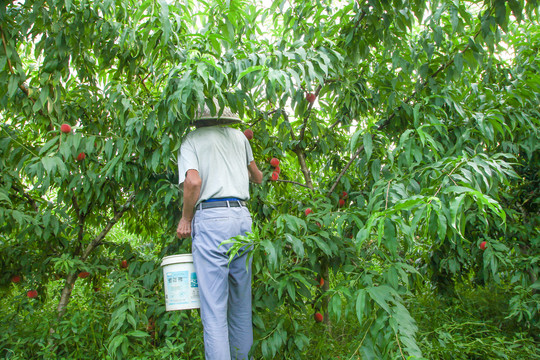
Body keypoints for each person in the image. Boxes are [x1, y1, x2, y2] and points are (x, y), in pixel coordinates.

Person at [176, 101, 263, 360]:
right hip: (241, 218)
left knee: (214, 311)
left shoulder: (191, 140)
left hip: (211, 220)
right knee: (240, 308)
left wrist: (186, 218)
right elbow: (257, 177)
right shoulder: (239, 137)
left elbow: (193, 181)